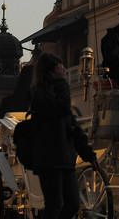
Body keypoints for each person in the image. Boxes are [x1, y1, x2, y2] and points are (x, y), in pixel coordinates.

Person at [27, 54, 99, 219]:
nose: (63, 74)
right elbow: (62, 108)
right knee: (55, 204)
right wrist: (62, 83)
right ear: (49, 73)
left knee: (73, 204)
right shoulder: (38, 95)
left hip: (65, 158)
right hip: (49, 159)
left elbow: (73, 128)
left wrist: (88, 154)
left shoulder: (57, 94)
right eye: (59, 71)